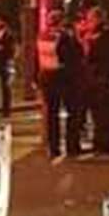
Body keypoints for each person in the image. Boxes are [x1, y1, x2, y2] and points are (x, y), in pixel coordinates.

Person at [37, 11, 84, 158]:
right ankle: (72, 146)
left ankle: (54, 147)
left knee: (52, 115)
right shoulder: (65, 37)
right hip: (64, 78)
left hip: (47, 77)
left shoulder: (42, 35)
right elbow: (76, 55)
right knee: (72, 112)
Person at [81, 6, 109, 158]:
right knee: (96, 114)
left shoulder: (106, 36)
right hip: (92, 79)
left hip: (102, 78)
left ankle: (108, 145)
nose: (88, 22)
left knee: (106, 114)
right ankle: (99, 143)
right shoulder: (89, 36)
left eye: (91, 19)